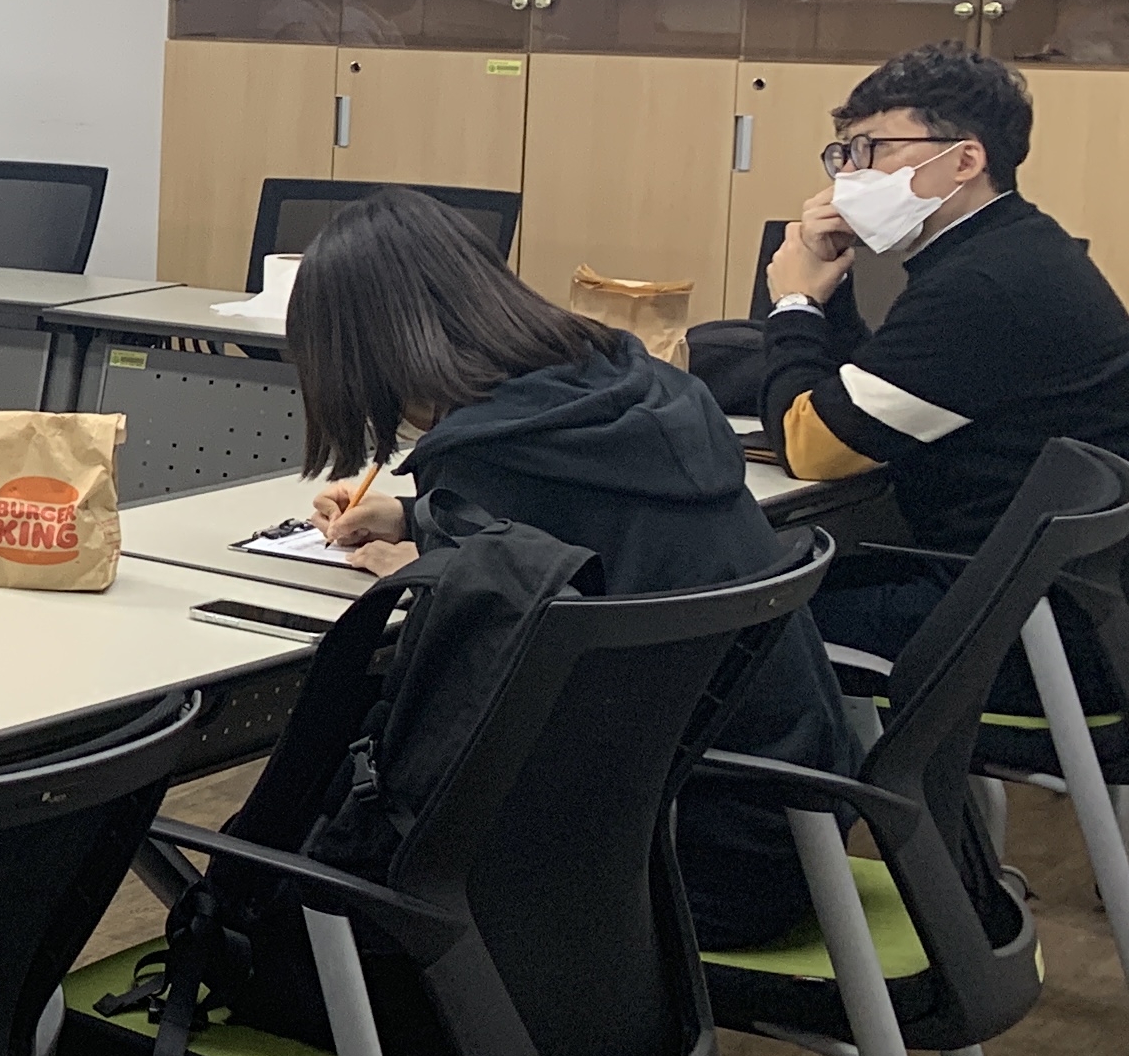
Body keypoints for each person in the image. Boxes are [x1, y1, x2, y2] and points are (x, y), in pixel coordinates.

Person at [294, 189, 847, 948]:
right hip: (792, 820)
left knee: (330, 823)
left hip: (671, 867)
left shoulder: (488, 454)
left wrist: (442, 570)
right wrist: (424, 519)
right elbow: (600, 523)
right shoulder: (632, 387)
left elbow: (459, 721)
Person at [760, 44, 1129, 670]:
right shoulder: (1017, 247)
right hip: (1043, 609)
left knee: (724, 619)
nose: (850, 176)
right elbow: (866, 393)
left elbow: (812, 446)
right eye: (845, 153)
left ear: (964, 160)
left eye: (874, 150)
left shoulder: (983, 285)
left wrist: (795, 303)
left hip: (1008, 637)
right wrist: (830, 288)